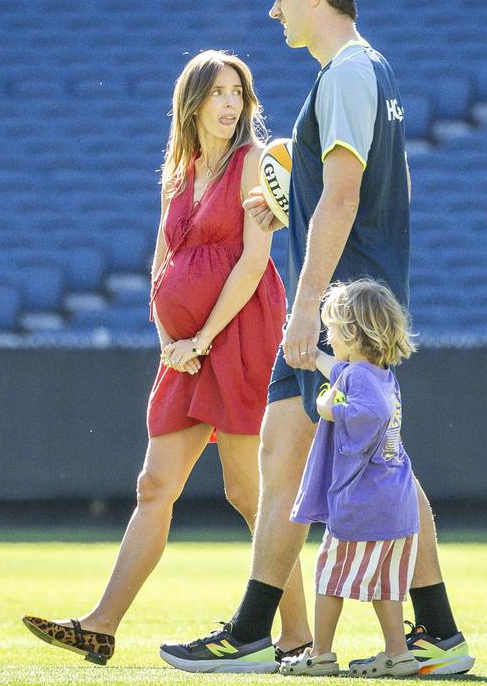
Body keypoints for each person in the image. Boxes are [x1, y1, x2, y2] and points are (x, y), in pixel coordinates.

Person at [160, 0, 473, 676]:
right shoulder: (368, 71)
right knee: (282, 459)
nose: (274, 10)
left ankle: (418, 630)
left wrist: (308, 313)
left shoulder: (351, 72)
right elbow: (363, 192)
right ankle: (264, 628)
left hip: (340, 312)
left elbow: (343, 195)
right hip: (347, 301)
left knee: (373, 467)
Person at [22, 50, 310, 667]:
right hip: (183, 351)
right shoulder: (177, 172)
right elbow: (162, 261)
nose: (232, 104)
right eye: (219, 93)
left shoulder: (254, 163)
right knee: (154, 485)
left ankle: (297, 637)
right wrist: (168, 339)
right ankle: (101, 626)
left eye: (239, 92)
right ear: (194, 103)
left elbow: (254, 262)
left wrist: (202, 338)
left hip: (238, 336)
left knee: (248, 492)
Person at [279, 279, 421, 679]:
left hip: (364, 502)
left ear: (354, 332)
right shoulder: (379, 373)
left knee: (328, 577)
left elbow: (369, 412)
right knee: (386, 585)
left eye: (333, 329)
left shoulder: (360, 381)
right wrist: (313, 358)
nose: (329, 336)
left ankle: (320, 653)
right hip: (397, 500)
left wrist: (328, 409)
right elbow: (338, 369)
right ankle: (398, 654)